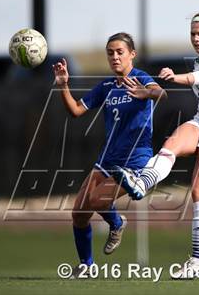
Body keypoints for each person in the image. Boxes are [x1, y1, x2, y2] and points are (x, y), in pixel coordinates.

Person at [112, 12, 199, 279]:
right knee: (171, 143)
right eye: (192, 34)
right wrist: (149, 90)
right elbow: (196, 80)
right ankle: (142, 183)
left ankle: (198, 262)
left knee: (198, 192)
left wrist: (174, 77)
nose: (196, 38)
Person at [53, 32, 167, 278]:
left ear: (132, 54)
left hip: (135, 158)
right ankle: (87, 266)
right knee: (79, 214)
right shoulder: (105, 86)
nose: (114, 57)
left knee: (97, 201)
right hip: (108, 158)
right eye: (110, 53)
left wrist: (147, 93)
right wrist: (63, 85)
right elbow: (75, 111)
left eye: (120, 52)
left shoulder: (140, 78)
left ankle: (116, 223)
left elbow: (162, 94)